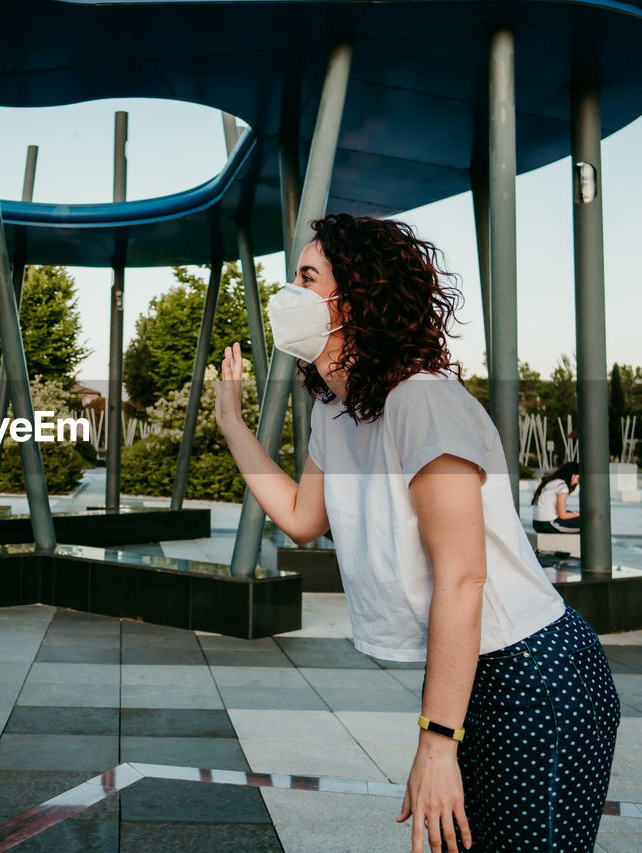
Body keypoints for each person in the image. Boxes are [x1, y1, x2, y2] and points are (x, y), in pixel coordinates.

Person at [214, 213, 618, 853]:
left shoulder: (421, 400)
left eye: (306, 276)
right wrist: (233, 425)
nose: (287, 294)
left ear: (359, 296)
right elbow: (300, 517)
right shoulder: (336, 410)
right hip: (467, 676)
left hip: (534, 677)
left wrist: (436, 743)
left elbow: (462, 578)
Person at [532, 461, 582, 533]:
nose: (577, 482)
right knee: (588, 524)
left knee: (574, 515)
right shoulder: (562, 486)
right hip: (548, 524)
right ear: (572, 475)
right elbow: (562, 515)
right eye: (578, 479)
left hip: (537, 523)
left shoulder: (551, 482)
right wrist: (578, 514)